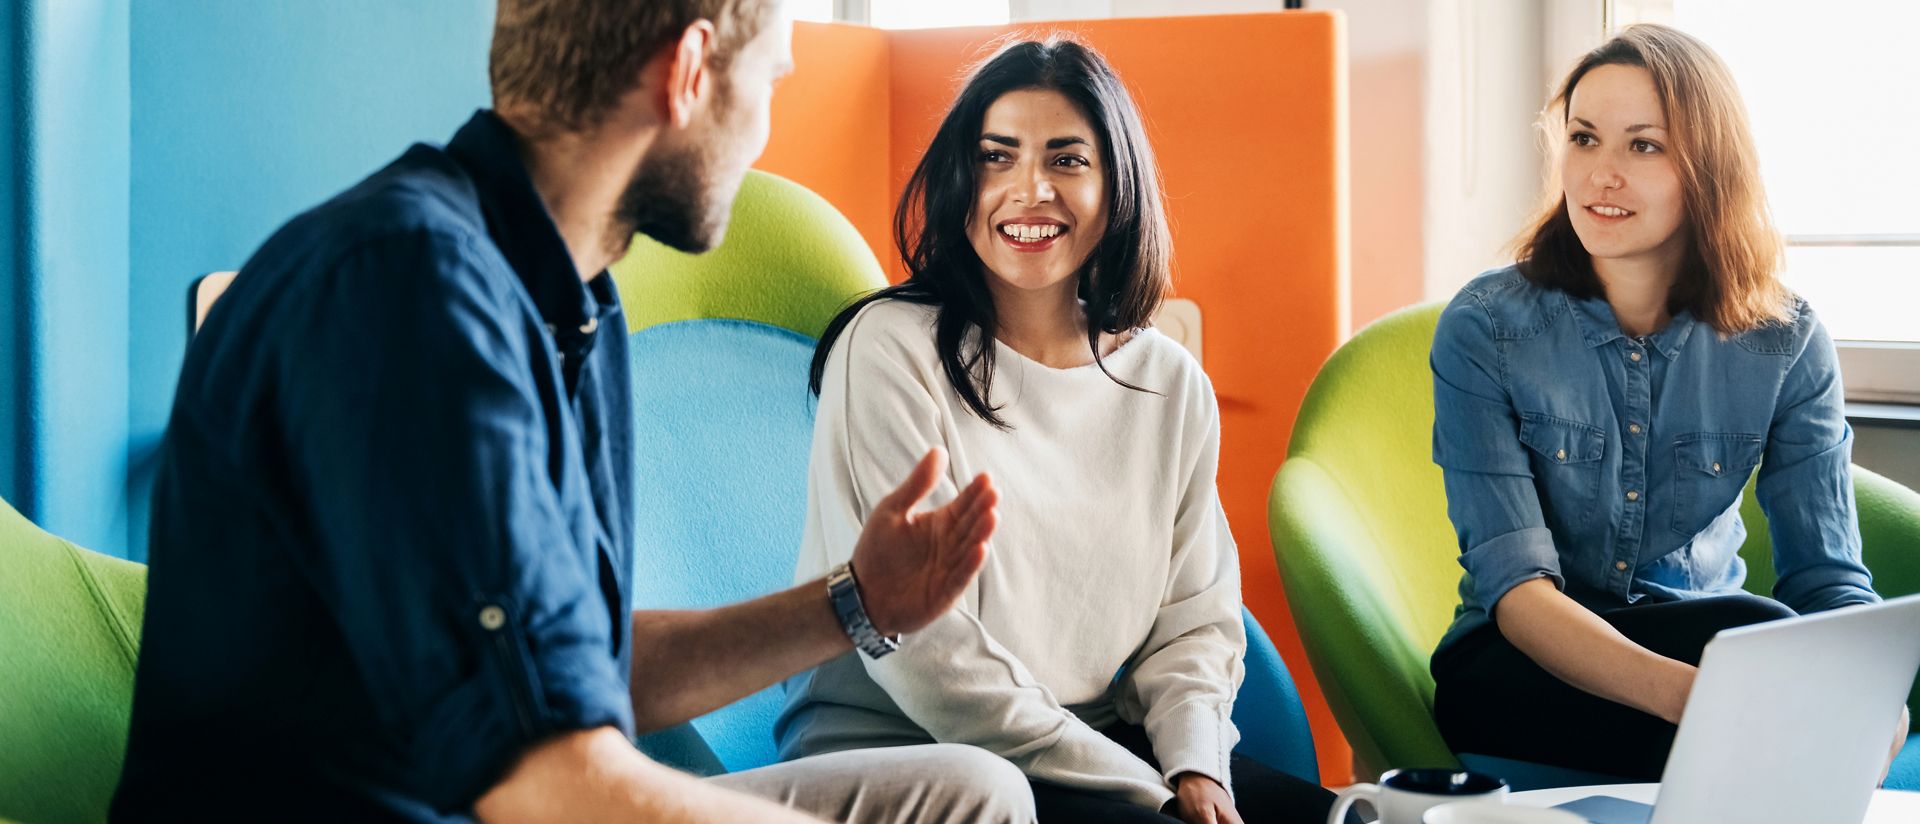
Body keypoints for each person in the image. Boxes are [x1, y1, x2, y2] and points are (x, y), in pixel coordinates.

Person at [111, 2, 1035, 821]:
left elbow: (574, 671)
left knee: (970, 793)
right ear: (685, 72)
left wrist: (855, 604)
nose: (761, 132)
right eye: (767, 84)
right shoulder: (411, 291)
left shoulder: (562, 299)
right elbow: (546, 787)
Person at [776, 38, 1339, 824]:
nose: (1028, 190)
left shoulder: (1167, 381)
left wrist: (1197, 771)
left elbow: (1195, 622)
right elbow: (929, 659)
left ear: (1117, 188)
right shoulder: (887, 348)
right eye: (996, 158)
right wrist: (1144, 788)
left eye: (1066, 160)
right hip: (912, 755)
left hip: (1091, 745)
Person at [1428, 23, 1908, 782]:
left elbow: (1827, 578)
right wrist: (1698, 700)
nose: (1599, 175)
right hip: (1522, 667)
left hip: (1709, 643)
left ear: (1709, 168)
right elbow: (1517, 593)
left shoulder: (1785, 340)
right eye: (1584, 139)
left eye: (1641, 146)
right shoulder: (1486, 327)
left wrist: (1873, 695)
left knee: (1764, 640)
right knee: (1755, 643)